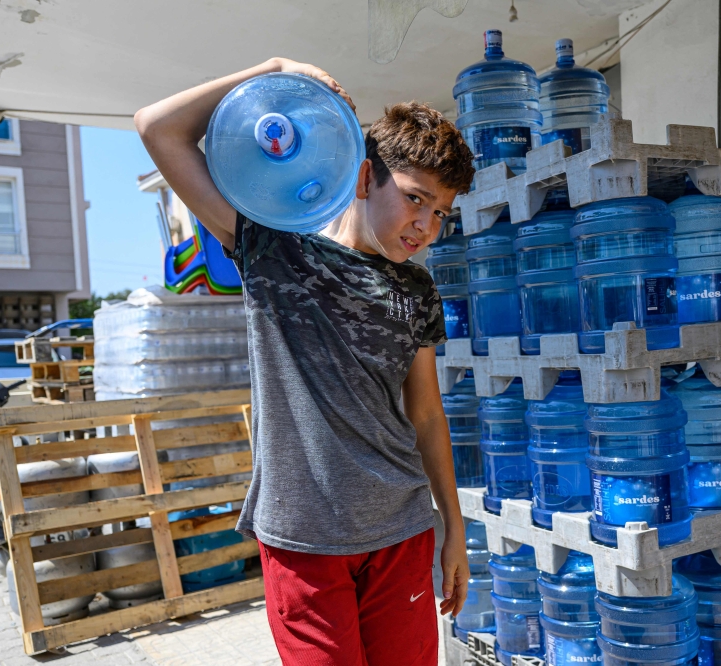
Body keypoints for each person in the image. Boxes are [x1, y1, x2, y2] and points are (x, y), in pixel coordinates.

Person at [135, 57, 476, 664]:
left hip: (400, 529)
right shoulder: (272, 248)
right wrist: (273, 69)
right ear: (366, 174)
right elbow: (158, 128)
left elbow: (425, 414)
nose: (426, 225)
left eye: (441, 212)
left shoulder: (418, 290)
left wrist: (454, 527)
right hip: (303, 538)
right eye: (415, 199)